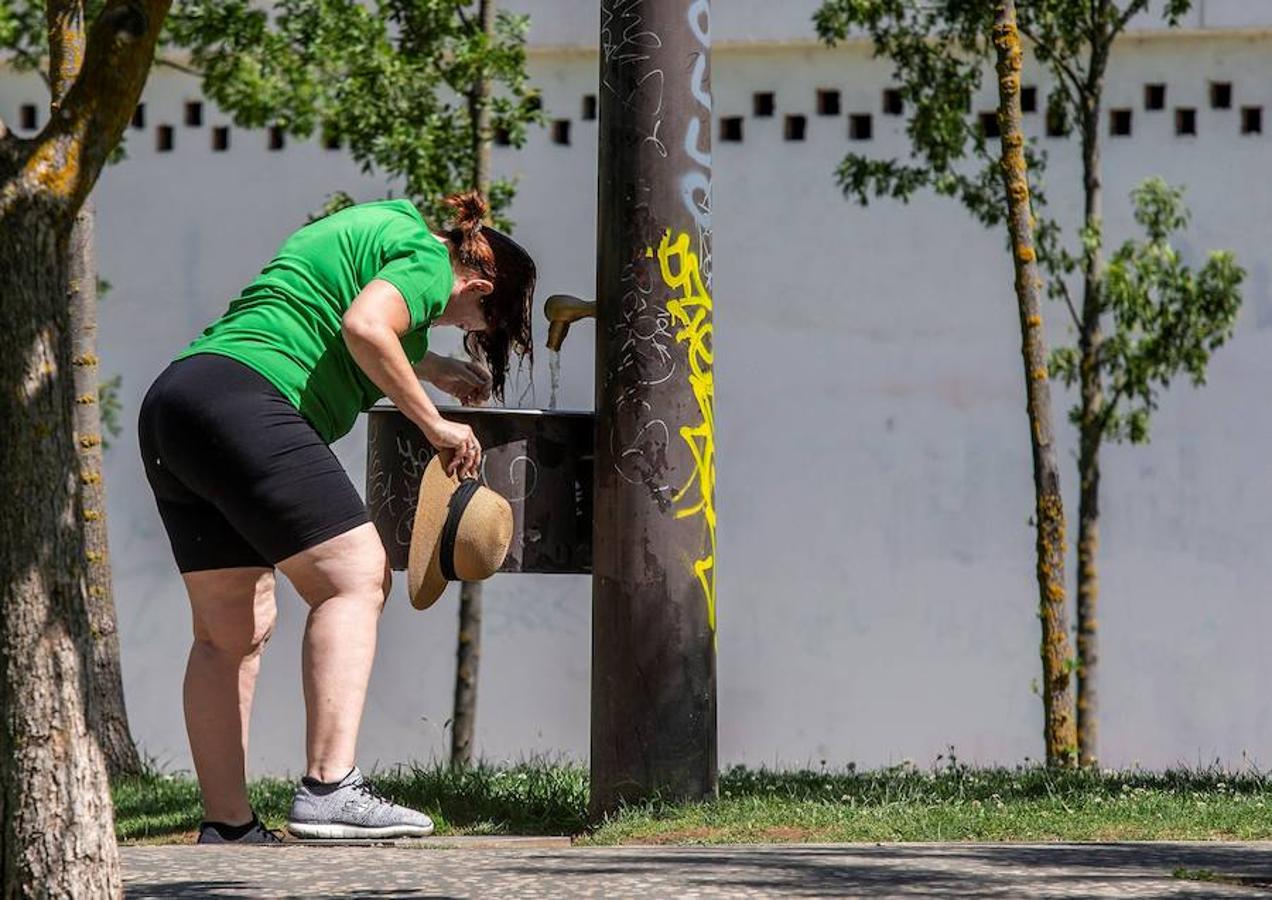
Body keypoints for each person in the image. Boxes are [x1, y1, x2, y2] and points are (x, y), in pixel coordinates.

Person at [138, 192, 535, 843]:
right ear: (480, 284)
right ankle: (329, 787)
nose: (457, 328)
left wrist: (434, 371)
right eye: (475, 322)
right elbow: (364, 329)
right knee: (355, 575)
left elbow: (353, 329)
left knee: (230, 629)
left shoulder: (380, 234)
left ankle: (228, 826)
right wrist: (434, 423)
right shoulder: (425, 255)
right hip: (249, 398)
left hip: (180, 403)